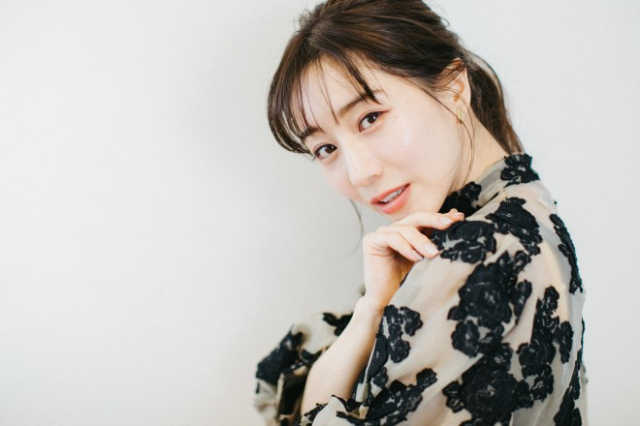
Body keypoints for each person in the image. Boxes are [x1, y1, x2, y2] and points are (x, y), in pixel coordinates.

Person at [254, 0, 586, 424]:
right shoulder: (523, 205)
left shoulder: (477, 255)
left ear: (454, 87)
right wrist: (372, 310)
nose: (359, 173)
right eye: (325, 148)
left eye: (370, 118)